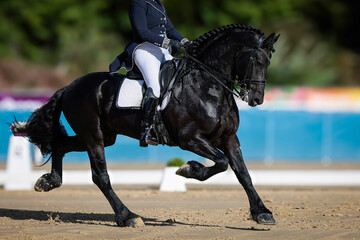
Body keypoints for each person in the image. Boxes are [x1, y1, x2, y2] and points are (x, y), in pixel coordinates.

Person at [109, 0, 189, 147]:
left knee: (181, 79)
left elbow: (170, 29)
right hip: (145, 49)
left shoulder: (158, 4)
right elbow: (142, 32)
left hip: (163, 51)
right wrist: (168, 42)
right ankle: (147, 128)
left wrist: (185, 41)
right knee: (155, 87)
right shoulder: (138, 3)